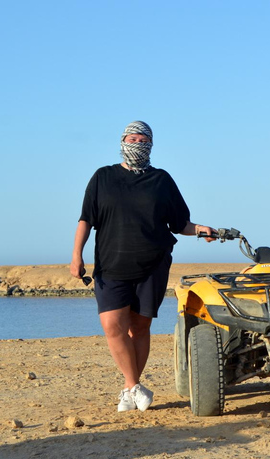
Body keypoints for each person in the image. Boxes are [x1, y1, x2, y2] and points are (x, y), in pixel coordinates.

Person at [70, 121, 214, 413]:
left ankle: (129, 390)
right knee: (112, 327)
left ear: (150, 144)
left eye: (142, 138)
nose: (136, 142)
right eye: (131, 137)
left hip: (152, 264)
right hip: (110, 265)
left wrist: (199, 229)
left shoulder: (162, 180)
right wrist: (77, 256)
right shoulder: (103, 177)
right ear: (122, 141)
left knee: (140, 326)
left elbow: (179, 223)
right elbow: (86, 218)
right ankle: (133, 385)